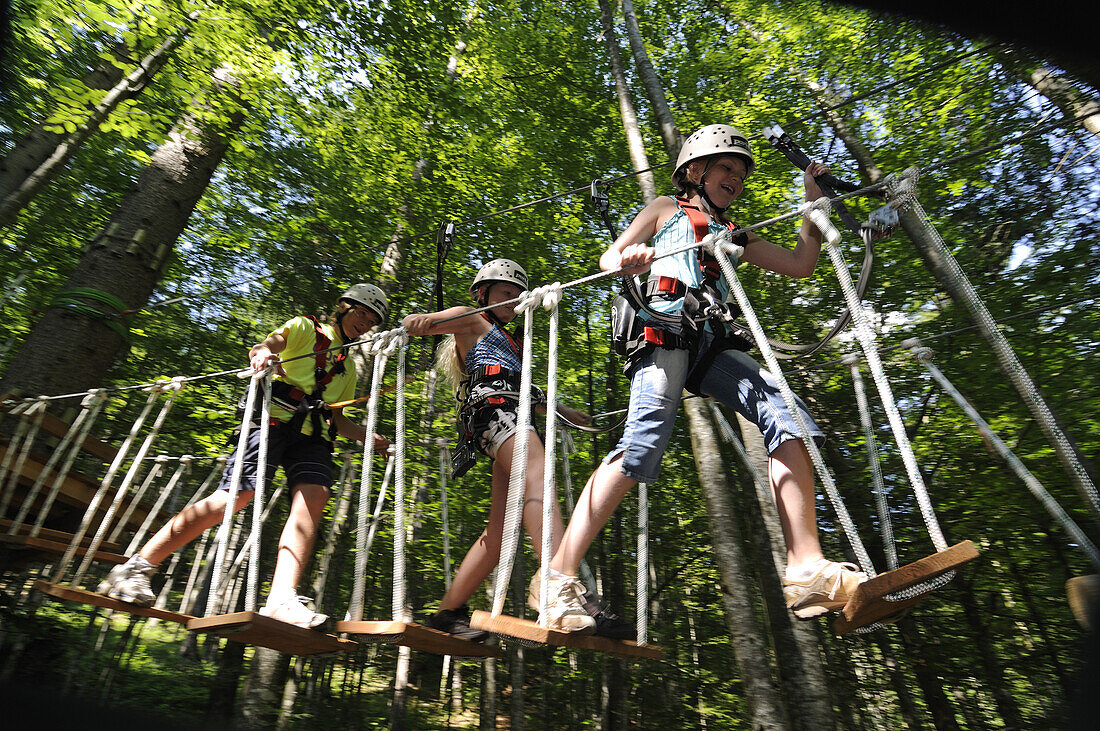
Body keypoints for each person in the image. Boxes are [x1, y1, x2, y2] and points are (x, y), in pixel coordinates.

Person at [539, 124, 867, 629]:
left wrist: (810, 207)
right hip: (663, 325)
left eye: (740, 173)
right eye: (726, 168)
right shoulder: (666, 209)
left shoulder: (734, 232)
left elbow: (801, 264)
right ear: (695, 171)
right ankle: (557, 581)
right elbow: (609, 258)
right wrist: (628, 260)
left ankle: (806, 569)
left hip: (708, 337)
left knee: (785, 411)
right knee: (642, 444)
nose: (735, 179)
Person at [97, 284, 392, 629]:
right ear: (343, 308)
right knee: (237, 495)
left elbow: (336, 417)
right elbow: (270, 344)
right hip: (270, 419)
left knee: (316, 495)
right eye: (361, 314)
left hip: (311, 434)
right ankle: (137, 567)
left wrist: (369, 438)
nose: (364, 323)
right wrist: (263, 354)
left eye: (372, 321)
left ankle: (282, 598)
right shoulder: (304, 328)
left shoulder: (347, 368)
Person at [402, 260, 632, 640]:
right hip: (495, 417)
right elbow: (434, 320)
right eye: (506, 292)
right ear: (483, 293)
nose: (514, 299)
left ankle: (447, 613)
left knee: (500, 533)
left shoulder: (513, 344)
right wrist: (419, 320)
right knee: (538, 472)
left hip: (508, 418)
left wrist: (564, 412)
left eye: (517, 294)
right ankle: (563, 592)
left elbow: (525, 390)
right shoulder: (472, 319)